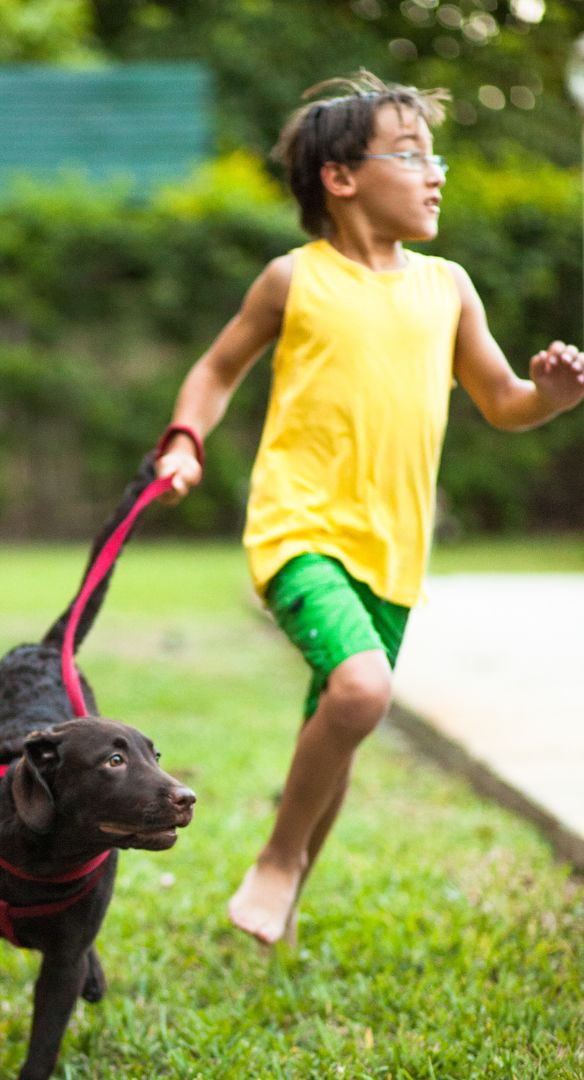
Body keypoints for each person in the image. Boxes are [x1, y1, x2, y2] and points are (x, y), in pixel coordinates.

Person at [154, 71, 584, 947]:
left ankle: (288, 881)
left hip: (393, 550)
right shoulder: (293, 279)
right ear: (341, 178)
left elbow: (500, 401)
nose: (436, 174)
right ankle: (280, 860)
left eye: (438, 158)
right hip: (297, 528)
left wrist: (548, 395)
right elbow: (216, 369)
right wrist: (185, 438)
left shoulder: (449, 286)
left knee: (340, 714)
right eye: (411, 154)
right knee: (361, 689)